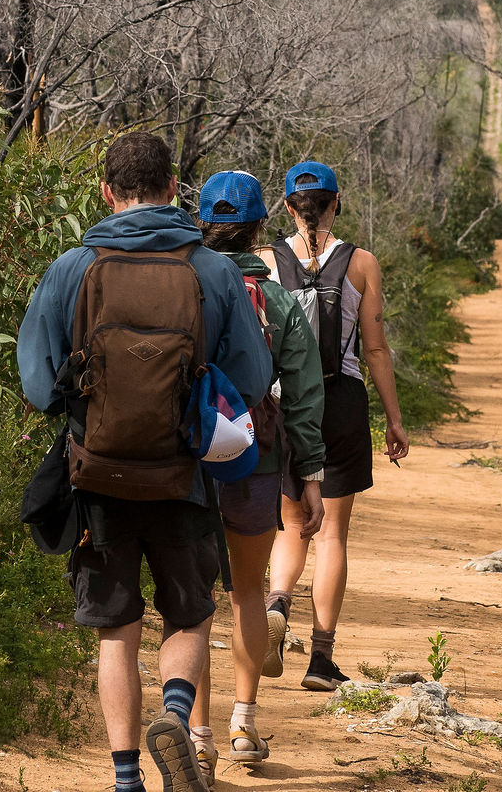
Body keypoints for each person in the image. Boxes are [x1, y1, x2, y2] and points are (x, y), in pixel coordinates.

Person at [18, 133, 271, 792]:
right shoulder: (211, 271)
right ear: (171, 189)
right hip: (182, 473)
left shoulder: (73, 267)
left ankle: (126, 778)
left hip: (95, 475)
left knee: (117, 629)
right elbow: (250, 377)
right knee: (188, 612)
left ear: (108, 191)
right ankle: (178, 712)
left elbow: (41, 386)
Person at [188, 170, 329, 777]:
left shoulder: (181, 289)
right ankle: (243, 725)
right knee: (248, 590)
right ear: (260, 229)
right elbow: (302, 394)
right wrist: (313, 477)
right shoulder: (277, 301)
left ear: (201, 222)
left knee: (189, 600)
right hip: (255, 460)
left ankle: (197, 734)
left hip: (188, 464)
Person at [261, 159, 409, 692]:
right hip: (341, 401)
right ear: (336, 202)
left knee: (290, 522)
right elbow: (373, 347)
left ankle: (277, 606)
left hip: (282, 403)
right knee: (334, 534)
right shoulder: (362, 263)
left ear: (286, 206)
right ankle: (321, 659)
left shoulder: (264, 261)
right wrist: (393, 419)